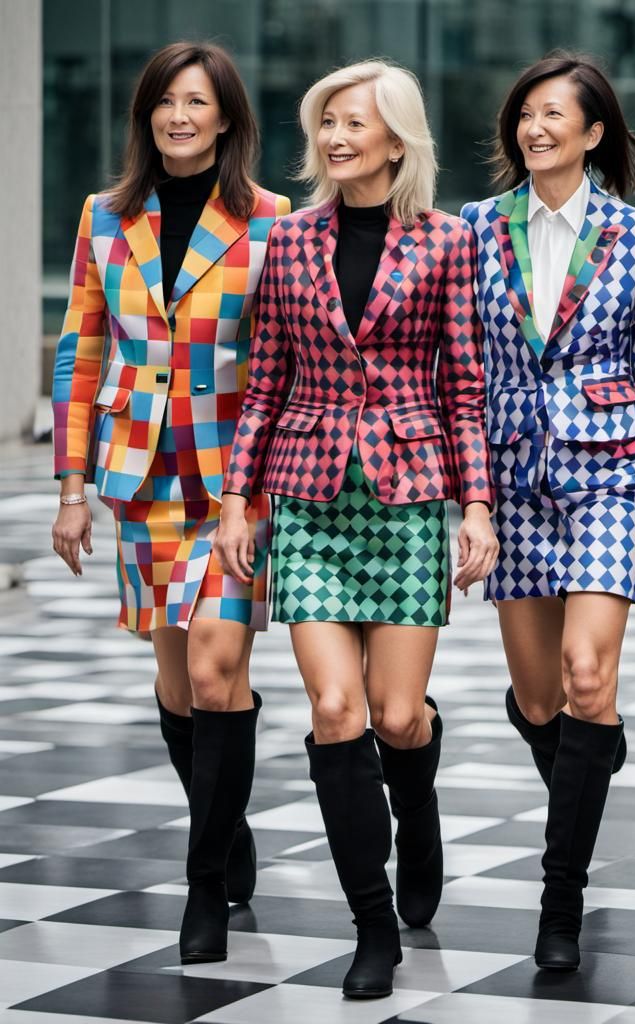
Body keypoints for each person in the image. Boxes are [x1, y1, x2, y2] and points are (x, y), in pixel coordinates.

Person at [216, 59, 497, 999]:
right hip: (308, 497)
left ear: (396, 137)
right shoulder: (288, 243)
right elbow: (265, 381)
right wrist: (234, 501)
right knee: (336, 714)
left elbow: (464, 383)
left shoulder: (448, 242)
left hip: (412, 496)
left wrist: (478, 506)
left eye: (354, 122)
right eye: (326, 121)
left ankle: (416, 813)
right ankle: (371, 924)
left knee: (395, 717)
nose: (336, 138)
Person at [50, 41, 290, 965]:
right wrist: (71, 488)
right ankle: (224, 828)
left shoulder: (273, 220)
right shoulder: (105, 219)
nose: (179, 116)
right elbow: (80, 350)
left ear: (226, 117)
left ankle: (203, 891)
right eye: (164, 103)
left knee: (221, 669)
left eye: (197, 102)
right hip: (141, 475)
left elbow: (287, 354)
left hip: (238, 480)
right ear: (146, 116)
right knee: (178, 682)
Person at [462, 51, 635, 973]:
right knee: (538, 697)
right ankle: (593, 752)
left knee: (588, 675)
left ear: (593, 132)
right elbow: (462, 362)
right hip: (513, 472)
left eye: (555, 113)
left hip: (612, 470)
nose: (535, 126)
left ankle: (562, 902)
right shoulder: (475, 227)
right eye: (525, 113)